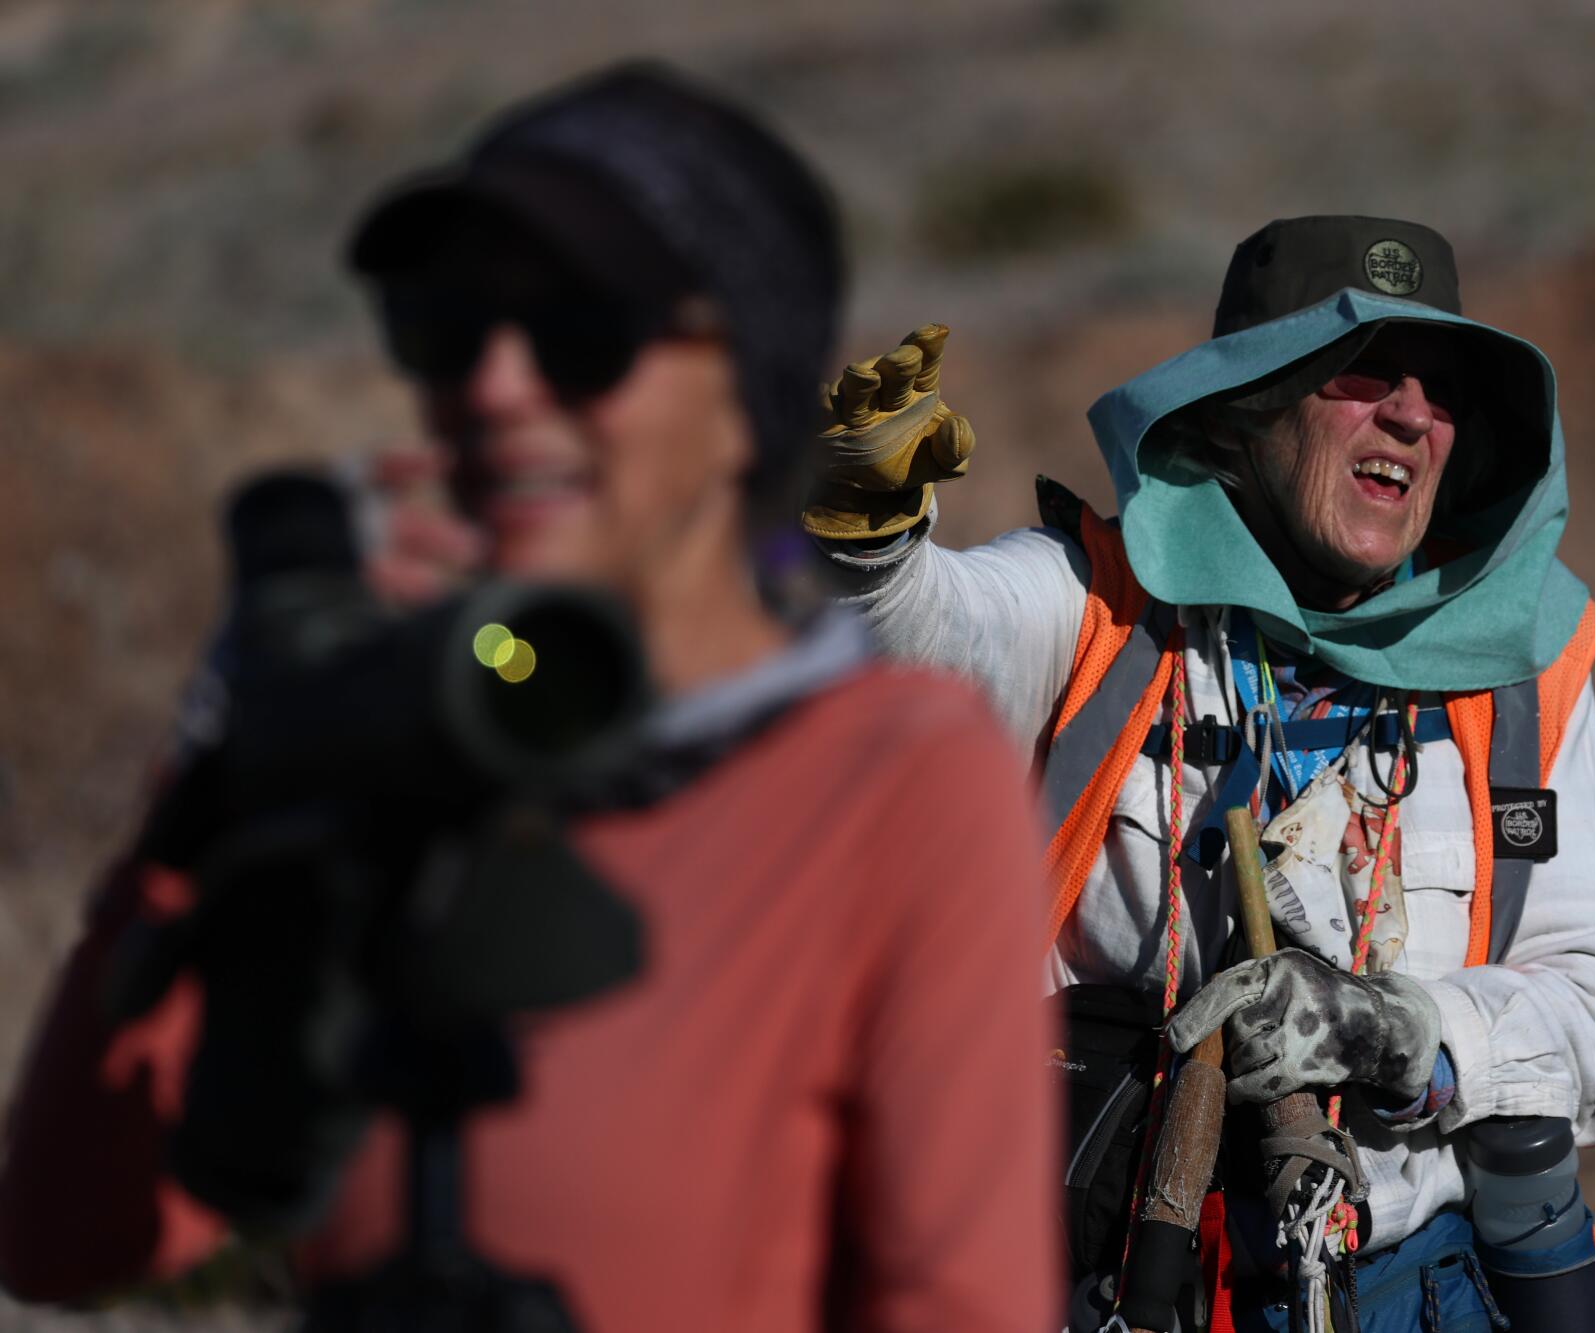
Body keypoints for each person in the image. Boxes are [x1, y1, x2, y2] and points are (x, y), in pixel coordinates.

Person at [0, 64, 1060, 1332]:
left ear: (750, 394)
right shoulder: (417, 736)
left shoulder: (884, 781)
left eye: (581, 334)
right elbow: (73, 1237)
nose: (495, 387)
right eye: (447, 328)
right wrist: (230, 766)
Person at [809, 217, 1595, 1331]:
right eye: (1362, 372)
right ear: (1246, 408)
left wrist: (1401, 1034)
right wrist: (864, 544)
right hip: (1120, 1283)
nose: (1410, 414)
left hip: (1415, 1289)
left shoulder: (1522, 667)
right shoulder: (1100, 605)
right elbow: (922, 642)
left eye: (1442, 390)